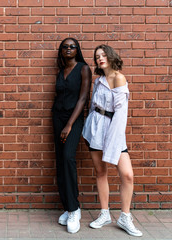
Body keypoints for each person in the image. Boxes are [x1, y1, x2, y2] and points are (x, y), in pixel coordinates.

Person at [82, 45, 142, 237]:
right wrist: (88, 130)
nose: (100, 58)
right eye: (97, 56)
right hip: (95, 129)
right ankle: (105, 213)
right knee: (101, 172)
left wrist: (112, 142)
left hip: (113, 131)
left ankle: (125, 217)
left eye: (103, 54)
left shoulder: (118, 78)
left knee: (127, 175)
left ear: (111, 56)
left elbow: (120, 115)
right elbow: (93, 107)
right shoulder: (98, 81)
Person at [52, 38, 92, 233]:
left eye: (72, 46)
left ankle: (75, 208)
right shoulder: (61, 71)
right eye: (65, 47)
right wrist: (60, 121)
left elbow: (83, 98)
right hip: (58, 117)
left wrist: (69, 125)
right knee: (60, 161)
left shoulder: (83, 69)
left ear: (77, 50)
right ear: (61, 51)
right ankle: (67, 207)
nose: (68, 49)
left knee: (68, 158)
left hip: (73, 120)